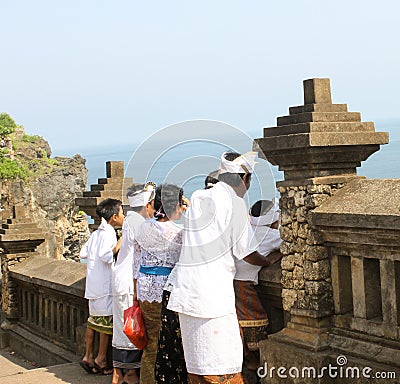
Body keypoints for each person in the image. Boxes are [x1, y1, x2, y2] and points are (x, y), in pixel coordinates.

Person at [167, 151, 273, 384]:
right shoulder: (234, 203)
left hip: (187, 291)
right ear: (244, 178)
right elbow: (247, 253)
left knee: (196, 365)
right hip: (212, 296)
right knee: (225, 367)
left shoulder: (198, 197)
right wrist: (268, 261)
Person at [133, 184, 187, 384]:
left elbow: (135, 263)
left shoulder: (143, 227)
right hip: (166, 291)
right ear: (174, 206)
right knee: (169, 343)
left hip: (145, 289)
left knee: (150, 343)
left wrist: (134, 294)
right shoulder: (178, 233)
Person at [111, 183, 156, 384]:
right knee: (132, 327)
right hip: (129, 282)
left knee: (122, 326)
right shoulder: (139, 222)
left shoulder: (130, 218)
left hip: (120, 279)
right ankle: (129, 374)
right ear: (146, 205)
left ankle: (119, 372)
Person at [234, 199, 283, 374]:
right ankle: (254, 362)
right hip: (243, 284)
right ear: (274, 220)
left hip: (232, 280)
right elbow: (289, 244)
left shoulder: (249, 229)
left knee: (238, 322)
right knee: (253, 321)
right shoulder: (271, 235)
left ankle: (248, 361)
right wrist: (272, 258)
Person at [80, 198, 124, 375]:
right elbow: (107, 256)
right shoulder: (108, 234)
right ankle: (100, 359)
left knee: (93, 322)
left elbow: (83, 252)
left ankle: (88, 355)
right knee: (105, 325)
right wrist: (121, 240)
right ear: (114, 217)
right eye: (121, 213)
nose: (123, 216)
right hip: (104, 287)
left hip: (93, 285)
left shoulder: (96, 233)